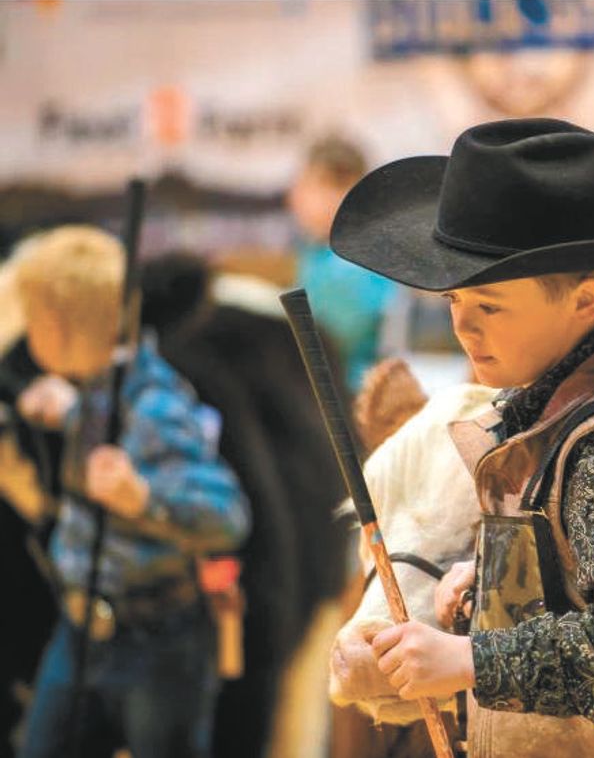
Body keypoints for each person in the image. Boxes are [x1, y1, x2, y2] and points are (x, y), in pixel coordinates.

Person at [329, 118, 594, 756]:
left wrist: (470, 660)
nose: (465, 328)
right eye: (454, 303)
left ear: (584, 301)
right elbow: (579, 582)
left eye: (489, 306)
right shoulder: (546, 423)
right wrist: (490, 580)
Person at [14, 226, 250, 758]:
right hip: (80, 629)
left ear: (57, 326)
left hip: (157, 642)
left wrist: (142, 498)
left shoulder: (156, 409)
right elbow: (104, 425)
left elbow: (227, 515)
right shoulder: (99, 390)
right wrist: (72, 410)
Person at [288, 135, 400, 390]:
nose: (296, 195)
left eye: (311, 185)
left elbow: (323, 344)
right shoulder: (316, 251)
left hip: (347, 401)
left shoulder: (348, 265)